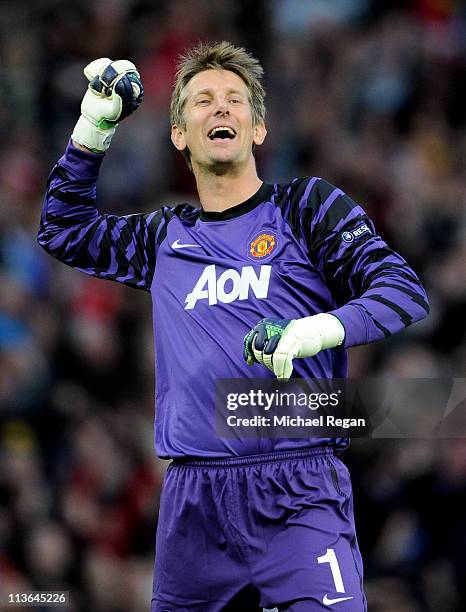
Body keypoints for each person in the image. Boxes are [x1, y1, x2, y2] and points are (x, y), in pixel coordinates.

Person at [38, 42, 429, 611]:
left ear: (259, 128)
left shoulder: (307, 209)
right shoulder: (163, 239)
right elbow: (63, 229)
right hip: (193, 504)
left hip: (298, 488)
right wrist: (95, 124)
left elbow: (403, 291)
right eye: (202, 101)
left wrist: (312, 331)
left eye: (234, 100)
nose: (220, 109)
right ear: (179, 134)